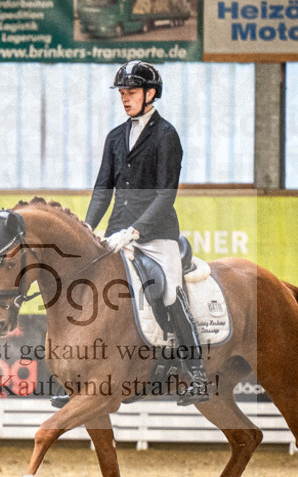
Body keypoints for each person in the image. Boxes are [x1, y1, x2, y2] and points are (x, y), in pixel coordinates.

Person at [84, 60, 208, 405]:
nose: (125, 98)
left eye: (132, 92)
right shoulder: (114, 137)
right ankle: (82, 376)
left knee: (167, 290)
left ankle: (196, 371)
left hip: (155, 235)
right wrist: (87, 228)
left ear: (150, 94)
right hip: (115, 234)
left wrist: (137, 230)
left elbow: (166, 194)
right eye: (122, 93)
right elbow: (101, 190)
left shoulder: (166, 136)